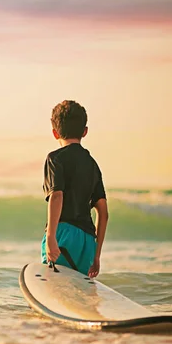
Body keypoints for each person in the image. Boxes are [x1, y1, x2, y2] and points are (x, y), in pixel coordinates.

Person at [41, 100, 109, 278]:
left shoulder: (55, 158)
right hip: (87, 241)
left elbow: (57, 195)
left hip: (63, 234)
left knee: (52, 287)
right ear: (85, 131)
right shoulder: (92, 165)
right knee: (77, 294)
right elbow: (103, 212)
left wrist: (51, 237)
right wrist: (96, 255)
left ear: (55, 133)